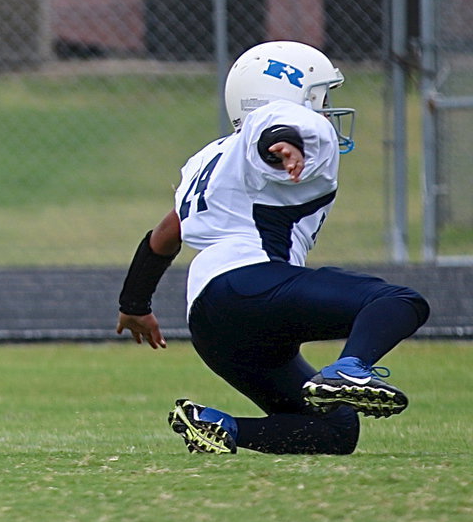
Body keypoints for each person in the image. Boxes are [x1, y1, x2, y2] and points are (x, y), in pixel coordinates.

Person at [116, 41, 430, 456]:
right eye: (320, 96)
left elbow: (165, 234)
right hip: (254, 285)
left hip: (210, 321)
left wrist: (134, 303)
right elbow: (278, 127)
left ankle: (220, 426)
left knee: (336, 431)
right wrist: (285, 145)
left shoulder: (209, 157)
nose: (325, 110)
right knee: (399, 302)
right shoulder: (282, 121)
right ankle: (350, 369)